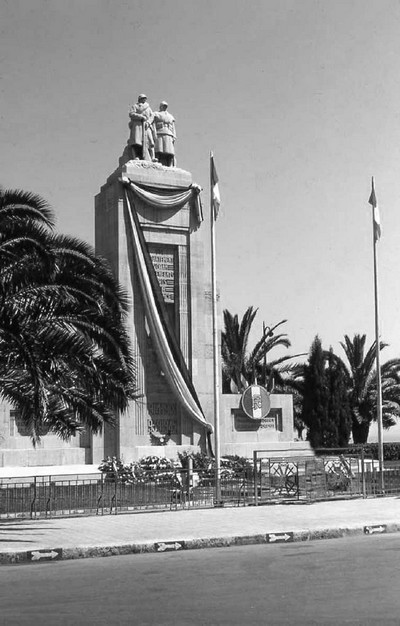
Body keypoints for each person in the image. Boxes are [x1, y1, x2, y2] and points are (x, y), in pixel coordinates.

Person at [128, 94, 155, 161]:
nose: (144, 99)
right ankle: (136, 156)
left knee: (150, 142)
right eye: (143, 98)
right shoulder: (135, 106)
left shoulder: (148, 108)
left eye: (145, 98)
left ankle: (152, 157)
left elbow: (152, 116)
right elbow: (131, 114)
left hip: (146, 126)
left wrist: (148, 122)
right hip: (137, 125)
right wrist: (141, 116)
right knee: (136, 142)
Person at [153, 101, 176, 166]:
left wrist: (174, 136)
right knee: (158, 149)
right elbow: (153, 125)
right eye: (163, 106)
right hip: (159, 133)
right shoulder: (156, 114)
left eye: (166, 106)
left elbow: (173, 127)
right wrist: (154, 133)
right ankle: (156, 162)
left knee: (170, 151)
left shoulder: (170, 116)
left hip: (169, 134)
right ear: (160, 106)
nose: (164, 107)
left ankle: (170, 164)